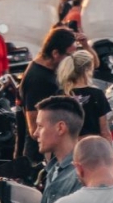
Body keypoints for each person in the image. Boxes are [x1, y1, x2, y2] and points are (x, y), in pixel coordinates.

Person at [17, 28, 74, 174]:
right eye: (69, 55)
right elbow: (34, 128)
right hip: (40, 158)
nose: (72, 59)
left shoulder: (50, 69)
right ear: (55, 53)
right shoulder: (38, 79)